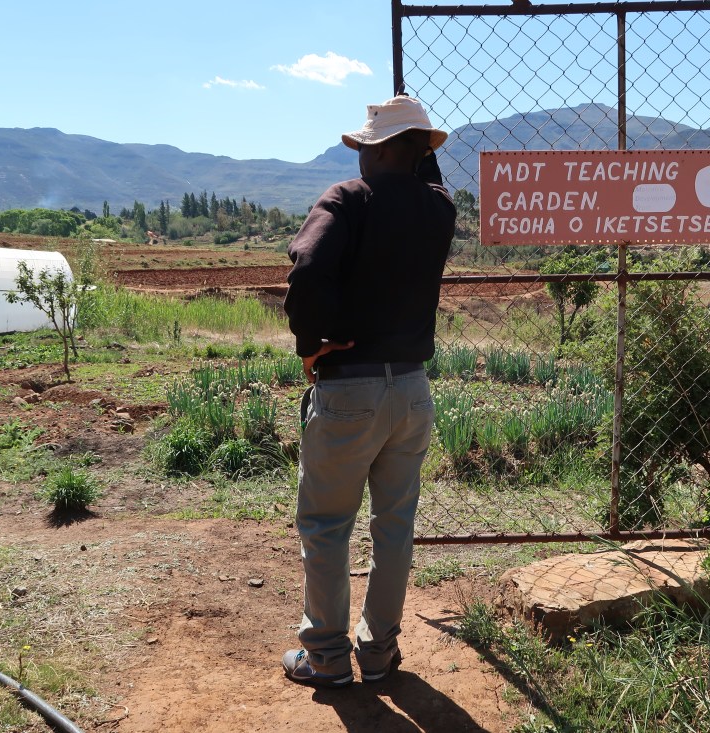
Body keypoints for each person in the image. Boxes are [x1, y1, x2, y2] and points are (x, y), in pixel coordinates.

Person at [281, 95, 456, 688]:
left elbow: (306, 266)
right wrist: (414, 148)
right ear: (419, 153)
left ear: (375, 151)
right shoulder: (439, 211)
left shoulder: (346, 200)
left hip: (349, 389)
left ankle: (326, 659)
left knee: (328, 525)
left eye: (364, 148)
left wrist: (310, 341)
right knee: (394, 525)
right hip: (411, 391)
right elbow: (424, 183)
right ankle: (378, 652)